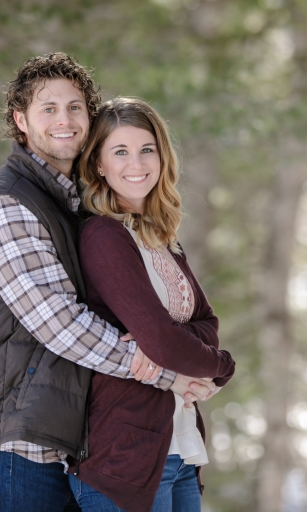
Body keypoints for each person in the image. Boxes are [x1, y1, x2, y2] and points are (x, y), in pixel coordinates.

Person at [0, 53, 217, 512]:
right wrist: (162, 369)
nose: (65, 119)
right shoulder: (8, 206)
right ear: (21, 120)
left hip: (70, 438)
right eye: (49, 108)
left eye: (76, 107)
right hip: (21, 444)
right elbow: (60, 324)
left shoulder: (71, 206)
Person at [68, 97, 236, 512]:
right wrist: (222, 366)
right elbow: (162, 341)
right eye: (120, 152)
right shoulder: (103, 236)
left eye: (147, 150)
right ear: (99, 166)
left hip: (178, 443)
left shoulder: (160, 237)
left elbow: (206, 322)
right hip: (125, 456)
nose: (136, 163)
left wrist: (171, 339)